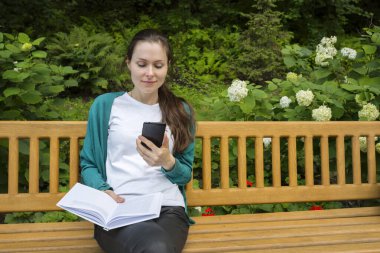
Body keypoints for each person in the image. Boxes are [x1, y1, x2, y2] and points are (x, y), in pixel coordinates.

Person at [80, 28, 196, 253]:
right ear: (129, 64)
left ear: (167, 66)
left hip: (169, 209)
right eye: (142, 64)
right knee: (156, 247)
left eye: (158, 65)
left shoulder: (180, 111)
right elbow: (89, 164)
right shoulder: (106, 105)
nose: (150, 73)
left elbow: (185, 175)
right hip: (120, 208)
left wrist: (168, 162)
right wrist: (102, 190)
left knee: (157, 247)